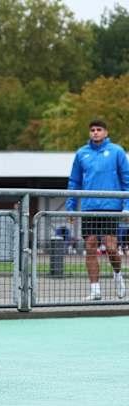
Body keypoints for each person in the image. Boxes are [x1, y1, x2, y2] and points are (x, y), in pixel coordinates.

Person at [66, 120, 128, 301]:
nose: (95, 132)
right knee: (90, 247)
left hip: (111, 207)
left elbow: (127, 180)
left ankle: (118, 275)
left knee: (111, 248)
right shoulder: (81, 153)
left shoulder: (117, 151)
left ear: (106, 132)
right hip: (88, 207)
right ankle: (95, 289)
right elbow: (74, 181)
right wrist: (70, 207)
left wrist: (127, 206)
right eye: (92, 130)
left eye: (99, 129)